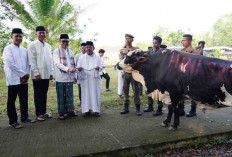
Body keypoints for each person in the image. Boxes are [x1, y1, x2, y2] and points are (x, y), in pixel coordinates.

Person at [3, 28, 35, 129]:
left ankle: (24, 117)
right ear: (11, 36)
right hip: (13, 79)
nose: (18, 38)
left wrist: (26, 75)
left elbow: (28, 64)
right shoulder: (8, 49)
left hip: (24, 80)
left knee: (24, 99)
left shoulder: (24, 50)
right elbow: (10, 64)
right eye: (16, 36)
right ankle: (13, 121)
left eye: (20, 36)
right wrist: (23, 74)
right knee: (11, 101)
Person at [28, 26, 53, 121]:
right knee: (38, 94)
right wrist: (36, 73)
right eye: (40, 33)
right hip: (37, 75)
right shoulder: (32, 45)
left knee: (44, 94)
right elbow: (32, 60)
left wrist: (51, 72)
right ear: (36, 34)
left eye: (43, 32)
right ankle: (38, 114)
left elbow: (50, 60)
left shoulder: (48, 46)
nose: (42, 34)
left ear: (45, 33)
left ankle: (44, 112)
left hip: (46, 74)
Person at [53, 34, 78, 120]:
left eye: (67, 41)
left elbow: (73, 64)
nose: (65, 43)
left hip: (70, 77)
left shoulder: (70, 51)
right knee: (61, 96)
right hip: (61, 77)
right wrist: (67, 69)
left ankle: (70, 111)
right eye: (63, 41)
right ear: (60, 41)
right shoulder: (56, 51)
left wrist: (75, 76)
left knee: (69, 95)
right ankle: (62, 113)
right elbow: (57, 63)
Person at [77, 41, 103, 117]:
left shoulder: (98, 57)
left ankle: (96, 110)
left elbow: (101, 66)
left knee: (95, 94)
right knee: (85, 94)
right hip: (85, 79)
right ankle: (86, 110)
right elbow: (78, 67)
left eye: (90, 47)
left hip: (95, 80)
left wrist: (99, 68)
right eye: (87, 47)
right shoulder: (81, 57)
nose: (88, 49)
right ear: (85, 48)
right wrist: (79, 69)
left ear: (93, 48)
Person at [119, 34, 142, 116]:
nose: (127, 40)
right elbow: (121, 60)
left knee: (136, 90)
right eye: (126, 38)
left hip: (134, 72)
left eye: (129, 38)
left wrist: (139, 52)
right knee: (125, 90)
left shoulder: (136, 49)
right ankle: (126, 107)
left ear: (132, 40)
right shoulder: (122, 50)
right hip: (126, 73)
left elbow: (140, 57)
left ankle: (138, 108)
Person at [143, 36, 165, 116]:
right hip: (150, 75)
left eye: (156, 43)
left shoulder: (163, 52)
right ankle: (150, 106)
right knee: (149, 90)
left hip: (159, 75)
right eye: (153, 43)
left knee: (159, 91)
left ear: (160, 43)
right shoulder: (149, 51)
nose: (154, 44)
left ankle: (159, 109)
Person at [180, 34, 198, 117]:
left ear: (190, 41)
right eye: (182, 40)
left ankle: (193, 110)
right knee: (181, 92)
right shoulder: (182, 50)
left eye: (184, 40)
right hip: (182, 75)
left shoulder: (194, 51)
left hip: (192, 75)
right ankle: (181, 110)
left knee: (193, 93)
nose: (182, 42)